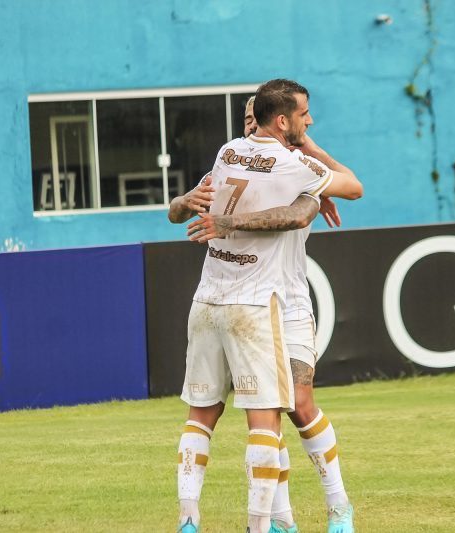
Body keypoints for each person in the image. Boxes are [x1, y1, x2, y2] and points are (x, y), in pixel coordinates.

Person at [169, 79, 362, 533]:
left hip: (281, 299)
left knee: (296, 402)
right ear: (281, 120)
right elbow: (348, 187)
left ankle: (338, 508)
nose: (308, 121)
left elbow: (186, 209)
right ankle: (280, 520)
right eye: (303, 116)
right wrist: (315, 188)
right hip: (263, 300)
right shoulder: (282, 163)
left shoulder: (232, 154)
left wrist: (311, 180)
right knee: (272, 408)